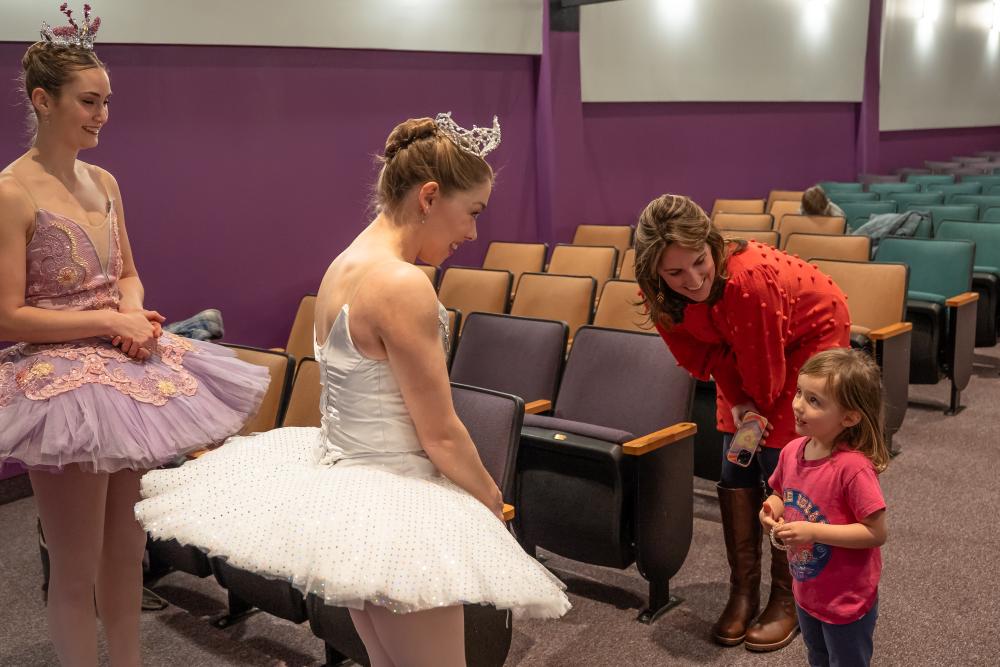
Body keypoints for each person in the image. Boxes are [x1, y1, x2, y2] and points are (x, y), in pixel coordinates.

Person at [134, 113, 571, 667]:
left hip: (349, 491)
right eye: (473, 213)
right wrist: (492, 503)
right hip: (397, 496)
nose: (472, 234)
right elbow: (439, 432)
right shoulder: (400, 282)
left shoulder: (342, 265)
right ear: (431, 197)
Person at [0, 6, 269, 664]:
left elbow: (129, 272)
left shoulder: (106, 182)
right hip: (58, 386)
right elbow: (8, 314)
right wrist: (109, 320)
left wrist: (135, 312)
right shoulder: (11, 192)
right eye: (89, 102)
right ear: (44, 100)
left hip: (125, 372)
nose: (102, 115)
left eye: (107, 102)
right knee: (74, 565)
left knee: (126, 550)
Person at [632, 194, 850, 651]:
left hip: (808, 333)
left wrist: (750, 405)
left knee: (781, 457)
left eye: (699, 262)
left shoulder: (747, 280)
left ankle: (788, 597)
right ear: (654, 273)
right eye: (675, 273)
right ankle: (743, 590)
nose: (691, 280)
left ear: (711, 244)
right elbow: (704, 356)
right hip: (740, 345)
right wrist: (736, 404)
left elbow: (768, 384)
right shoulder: (658, 295)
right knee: (735, 464)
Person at [761, 348, 889, 666]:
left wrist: (813, 531)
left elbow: (875, 532)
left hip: (846, 597)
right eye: (800, 392)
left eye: (814, 401)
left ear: (849, 417)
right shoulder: (792, 450)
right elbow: (781, 491)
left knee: (846, 660)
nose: (799, 405)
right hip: (807, 587)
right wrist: (772, 508)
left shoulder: (853, 469)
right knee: (817, 655)